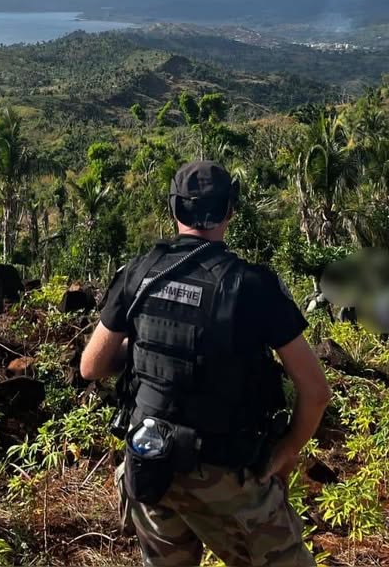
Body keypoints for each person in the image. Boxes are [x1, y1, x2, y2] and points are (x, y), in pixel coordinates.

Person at [80, 160, 332, 567]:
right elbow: (316, 391)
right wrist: (288, 449)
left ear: (174, 209)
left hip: (148, 460)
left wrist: (152, 356)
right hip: (223, 469)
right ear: (230, 210)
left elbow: (91, 366)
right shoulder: (251, 285)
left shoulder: (139, 272)